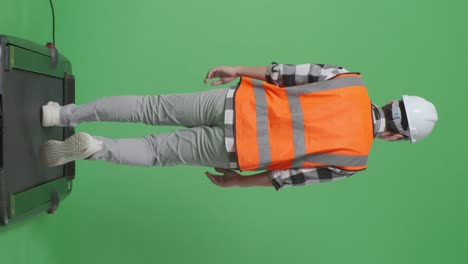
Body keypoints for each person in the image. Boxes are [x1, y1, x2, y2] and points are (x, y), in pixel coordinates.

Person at [40, 62, 438, 191]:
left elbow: (281, 73)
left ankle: (61, 115)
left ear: (393, 103)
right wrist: (239, 182)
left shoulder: (349, 80)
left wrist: (236, 69)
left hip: (236, 101)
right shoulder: (353, 161)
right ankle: (94, 147)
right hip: (237, 150)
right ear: (397, 136)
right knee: (158, 151)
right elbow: (287, 176)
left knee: (150, 107)